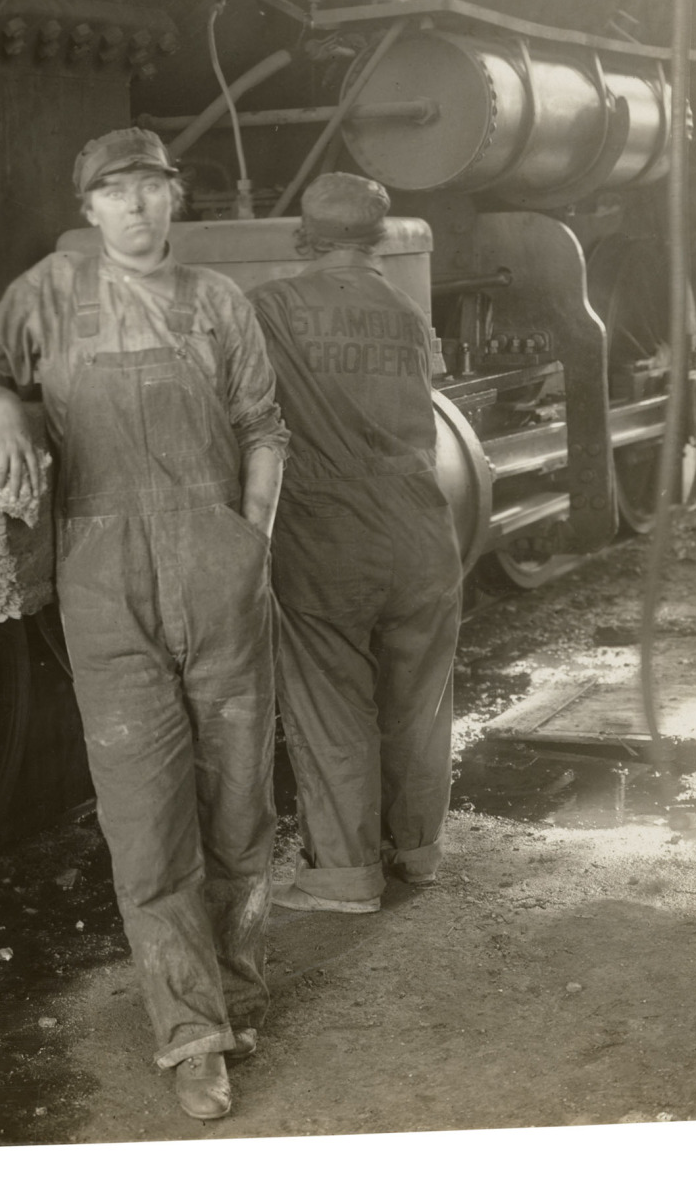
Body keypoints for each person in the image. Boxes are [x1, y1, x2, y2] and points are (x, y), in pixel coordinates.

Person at [0, 129, 288, 1122]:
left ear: (174, 201)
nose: (136, 207)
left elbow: (264, 427)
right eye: (116, 193)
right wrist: (2, 407)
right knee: (145, 824)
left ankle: (239, 995)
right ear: (89, 209)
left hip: (220, 574)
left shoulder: (220, 303)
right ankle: (191, 1033)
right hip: (106, 583)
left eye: (151, 189)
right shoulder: (48, 290)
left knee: (239, 811)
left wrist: (248, 541)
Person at [248, 173, 462, 912]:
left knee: (332, 702)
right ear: (374, 237)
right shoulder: (403, 312)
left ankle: (342, 877)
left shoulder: (267, 308)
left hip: (326, 532)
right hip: (421, 526)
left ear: (304, 237)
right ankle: (419, 852)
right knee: (418, 701)